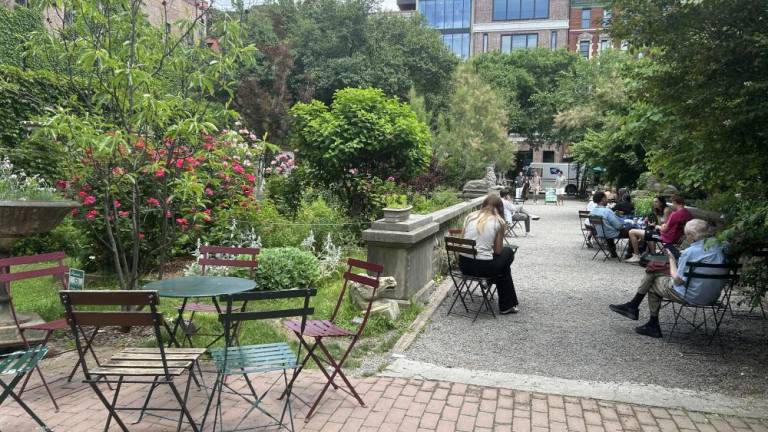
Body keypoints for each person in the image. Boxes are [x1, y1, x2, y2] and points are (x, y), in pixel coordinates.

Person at [609, 219, 728, 338]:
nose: (687, 238)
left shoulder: (691, 252)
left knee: (653, 280)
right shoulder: (721, 246)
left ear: (692, 235)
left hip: (691, 295)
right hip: (712, 296)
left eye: (687, 235)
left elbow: (678, 280)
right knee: (655, 271)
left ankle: (650, 322)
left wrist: (671, 258)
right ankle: (633, 306)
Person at [459, 194, 520, 314]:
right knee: (507, 252)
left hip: (464, 265)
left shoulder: (470, 217)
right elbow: (498, 251)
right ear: (500, 208)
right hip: (483, 269)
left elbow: (465, 239)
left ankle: (507, 304)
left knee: (503, 268)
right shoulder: (499, 221)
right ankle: (506, 305)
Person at [625, 196, 673, 262]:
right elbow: (658, 223)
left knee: (632, 232)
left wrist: (655, 224)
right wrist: (651, 221)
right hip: (658, 232)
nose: (654, 203)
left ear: (661, 203)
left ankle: (637, 255)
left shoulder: (666, 210)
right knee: (646, 232)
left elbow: (665, 225)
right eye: (653, 202)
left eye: (656, 202)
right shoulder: (657, 210)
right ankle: (652, 255)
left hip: (664, 234)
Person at [589, 191, 629, 258]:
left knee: (608, 229)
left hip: (600, 233)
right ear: (603, 199)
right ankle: (629, 254)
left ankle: (613, 252)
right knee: (631, 231)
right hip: (611, 233)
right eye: (606, 198)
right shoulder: (607, 211)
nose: (607, 200)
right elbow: (618, 226)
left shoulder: (592, 211)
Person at [657, 194, 693, 258]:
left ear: (674, 202)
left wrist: (657, 227)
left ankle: (649, 255)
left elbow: (665, 230)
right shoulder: (688, 213)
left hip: (668, 238)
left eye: (672, 202)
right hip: (678, 238)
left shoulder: (675, 214)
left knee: (636, 232)